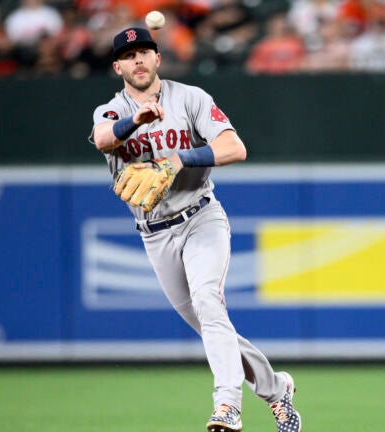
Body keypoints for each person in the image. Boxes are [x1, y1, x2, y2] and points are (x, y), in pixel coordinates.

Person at [88, 27, 303, 432]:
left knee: (208, 300)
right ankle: (277, 390)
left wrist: (177, 159)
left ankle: (227, 406)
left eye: (145, 52)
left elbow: (234, 148)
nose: (138, 60)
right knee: (211, 325)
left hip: (200, 217)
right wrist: (138, 118)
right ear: (118, 66)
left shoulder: (190, 98)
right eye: (129, 55)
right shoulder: (111, 110)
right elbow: (102, 139)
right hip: (154, 234)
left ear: (157, 59)